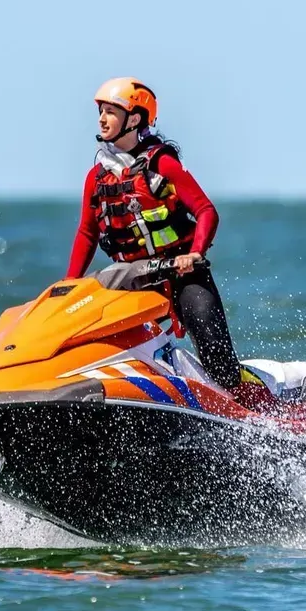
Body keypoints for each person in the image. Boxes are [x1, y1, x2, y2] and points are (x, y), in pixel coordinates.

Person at [66, 76, 250, 398]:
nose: (102, 119)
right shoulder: (97, 177)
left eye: (111, 111)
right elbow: (87, 233)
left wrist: (193, 254)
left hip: (182, 275)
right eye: (101, 111)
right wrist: (68, 284)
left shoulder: (162, 163)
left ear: (134, 119)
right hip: (131, 281)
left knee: (218, 360)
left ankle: (245, 398)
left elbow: (207, 211)